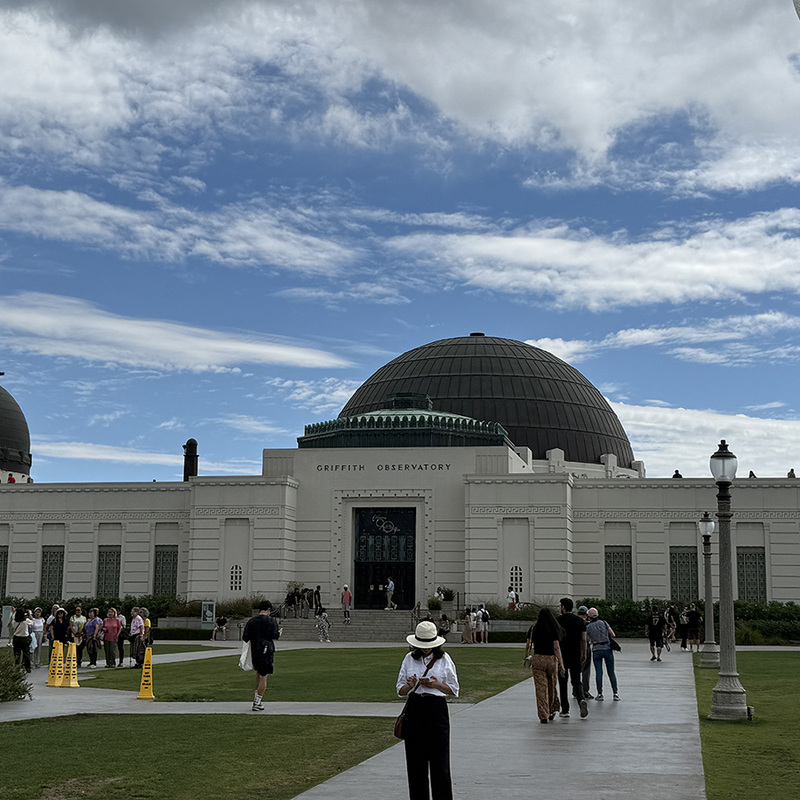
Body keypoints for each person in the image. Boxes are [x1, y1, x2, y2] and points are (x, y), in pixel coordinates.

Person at [396, 620, 459, 800]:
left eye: (428, 645)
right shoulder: (409, 659)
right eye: (422, 645)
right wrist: (410, 685)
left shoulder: (444, 659)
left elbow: (454, 689)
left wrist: (435, 684)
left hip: (436, 709)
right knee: (416, 763)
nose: (425, 649)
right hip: (415, 708)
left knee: (440, 763)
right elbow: (400, 690)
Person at [525, 607, 564, 723]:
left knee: (541, 689)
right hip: (551, 660)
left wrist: (526, 655)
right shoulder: (553, 628)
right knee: (551, 686)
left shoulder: (534, 628)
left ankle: (543, 714)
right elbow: (556, 647)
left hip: (538, 659)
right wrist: (561, 663)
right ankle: (552, 710)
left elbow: (528, 644)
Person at [242, 600, 283, 711]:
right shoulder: (271, 621)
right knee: (264, 676)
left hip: (255, 650)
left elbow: (245, 637)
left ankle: (256, 697)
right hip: (267, 650)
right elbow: (275, 635)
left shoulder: (251, 621)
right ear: (268, 610)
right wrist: (279, 633)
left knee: (259, 673)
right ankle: (257, 701)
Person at [556, 598, 589, 719]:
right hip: (575, 654)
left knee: (563, 682)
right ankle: (580, 700)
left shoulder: (558, 621)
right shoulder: (579, 621)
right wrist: (584, 653)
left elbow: (555, 640)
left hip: (562, 655)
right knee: (576, 680)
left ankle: (565, 709)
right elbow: (584, 639)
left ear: (563, 607)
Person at [586, 607, 619, 701]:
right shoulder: (604, 622)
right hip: (607, 648)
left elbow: (587, 639)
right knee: (611, 672)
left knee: (599, 672)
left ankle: (600, 694)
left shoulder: (588, 627)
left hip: (596, 649)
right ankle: (615, 693)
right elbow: (613, 634)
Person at [8, 607, 32, 673]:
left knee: (17, 654)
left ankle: (17, 667)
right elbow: (32, 622)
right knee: (26, 653)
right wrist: (29, 615)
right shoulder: (26, 621)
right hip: (24, 637)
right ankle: (27, 667)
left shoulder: (14, 621)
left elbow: (13, 627)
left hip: (16, 638)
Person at [577, 606, 593, 698]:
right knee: (586, 670)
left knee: (576, 670)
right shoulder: (587, 624)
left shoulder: (574, 622)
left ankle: (576, 690)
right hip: (585, 647)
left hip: (575, 648)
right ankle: (585, 691)